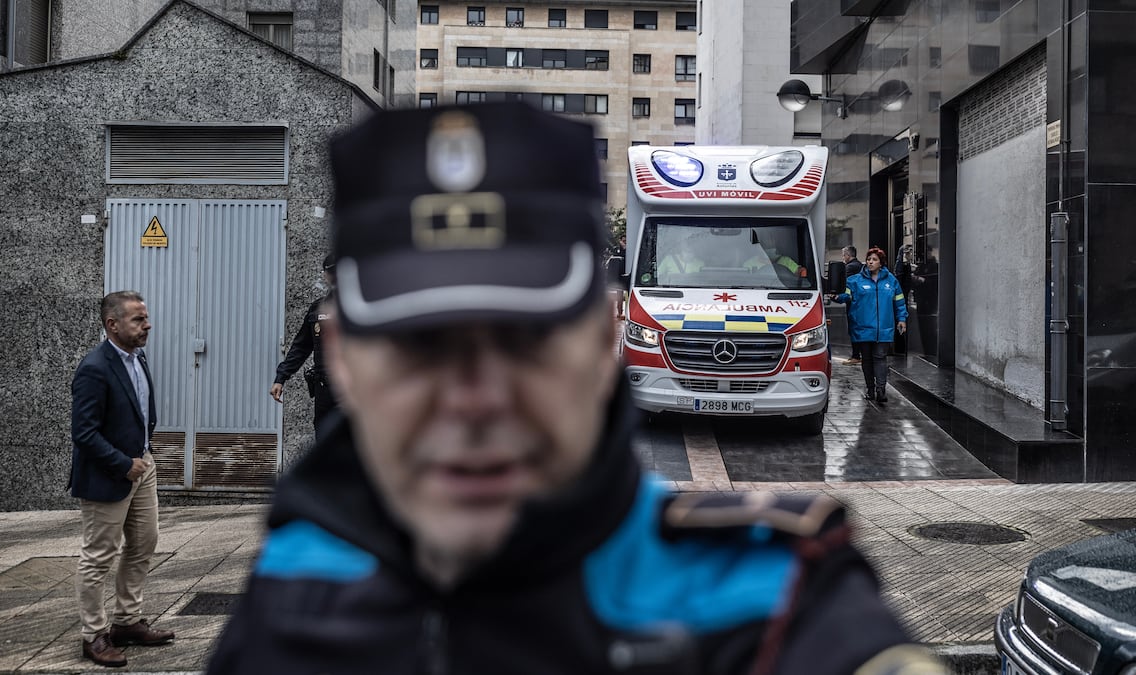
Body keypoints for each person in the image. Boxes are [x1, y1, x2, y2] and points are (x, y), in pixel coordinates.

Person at [207, 103, 946, 674]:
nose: (474, 401)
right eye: (419, 349)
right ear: (344, 363)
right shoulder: (287, 603)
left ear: (603, 341)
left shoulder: (772, 597)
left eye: (524, 342)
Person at [70, 291, 174, 668]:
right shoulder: (94, 368)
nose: (147, 325)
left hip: (142, 468)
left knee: (144, 543)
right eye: (138, 320)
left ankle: (127, 622)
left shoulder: (138, 357)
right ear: (112, 324)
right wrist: (122, 463)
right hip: (108, 475)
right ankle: (93, 636)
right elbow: (83, 432)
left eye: (146, 318)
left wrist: (144, 454)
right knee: (99, 555)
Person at [829, 246, 908, 403]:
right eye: (869, 259)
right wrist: (836, 296)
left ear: (881, 263)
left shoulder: (891, 281)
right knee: (867, 359)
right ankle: (870, 389)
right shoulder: (854, 281)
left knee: (880, 357)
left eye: (874, 260)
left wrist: (902, 319)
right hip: (862, 328)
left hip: (883, 329)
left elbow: (899, 301)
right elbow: (845, 296)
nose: (870, 262)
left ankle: (881, 389)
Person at [270, 254, 339, 433]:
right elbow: (301, 346)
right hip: (324, 389)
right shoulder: (317, 309)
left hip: (354, 390)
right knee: (324, 437)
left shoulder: (359, 307)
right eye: (332, 272)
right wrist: (281, 377)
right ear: (326, 276)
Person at [841, 245, 864, 365]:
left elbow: (846, 286)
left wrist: (838, 296)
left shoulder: (849, 268)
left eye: (844, 255)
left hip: (853, 303)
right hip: (861, 303)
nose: (843, 258)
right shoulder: (860, 265)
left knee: (854, 328)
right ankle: (859, 354)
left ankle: (856, 356)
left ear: (848, 255)